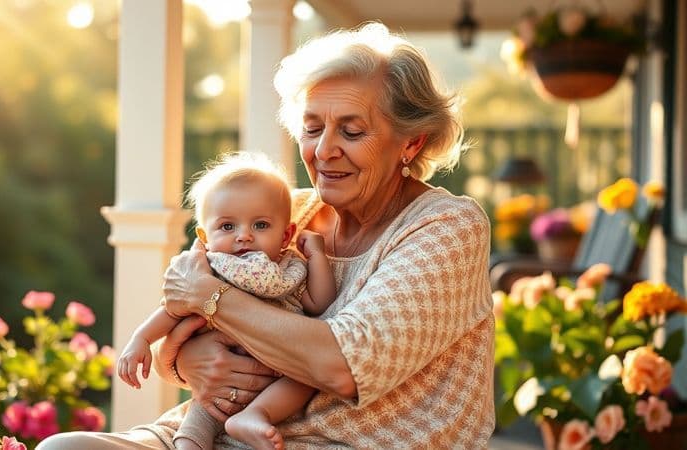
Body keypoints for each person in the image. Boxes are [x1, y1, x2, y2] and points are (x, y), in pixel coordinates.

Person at [39, 22, 495, 450]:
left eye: (352, 131)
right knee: (62, 447)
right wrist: (190, 359)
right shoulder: (282, 212)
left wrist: (211, 298)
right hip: (207, 433)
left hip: (340, 443)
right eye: (312, 129)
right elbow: (177, 319)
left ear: (411, 142)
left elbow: (342, 366)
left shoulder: (447, 226)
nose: (324, 150)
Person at [115, 151, 337, 450]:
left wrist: (317, 256)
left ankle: (254, 416)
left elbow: (319, 303)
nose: (244, 236)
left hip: (280, 369)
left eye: (260, 225)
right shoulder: (208, 268)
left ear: (286, 235)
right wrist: (141, 339)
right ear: (205, 237)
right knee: (195, 427)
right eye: (228, 227)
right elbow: (173, 310)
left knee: (306, 378)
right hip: (219, 384)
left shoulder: (288, 268)